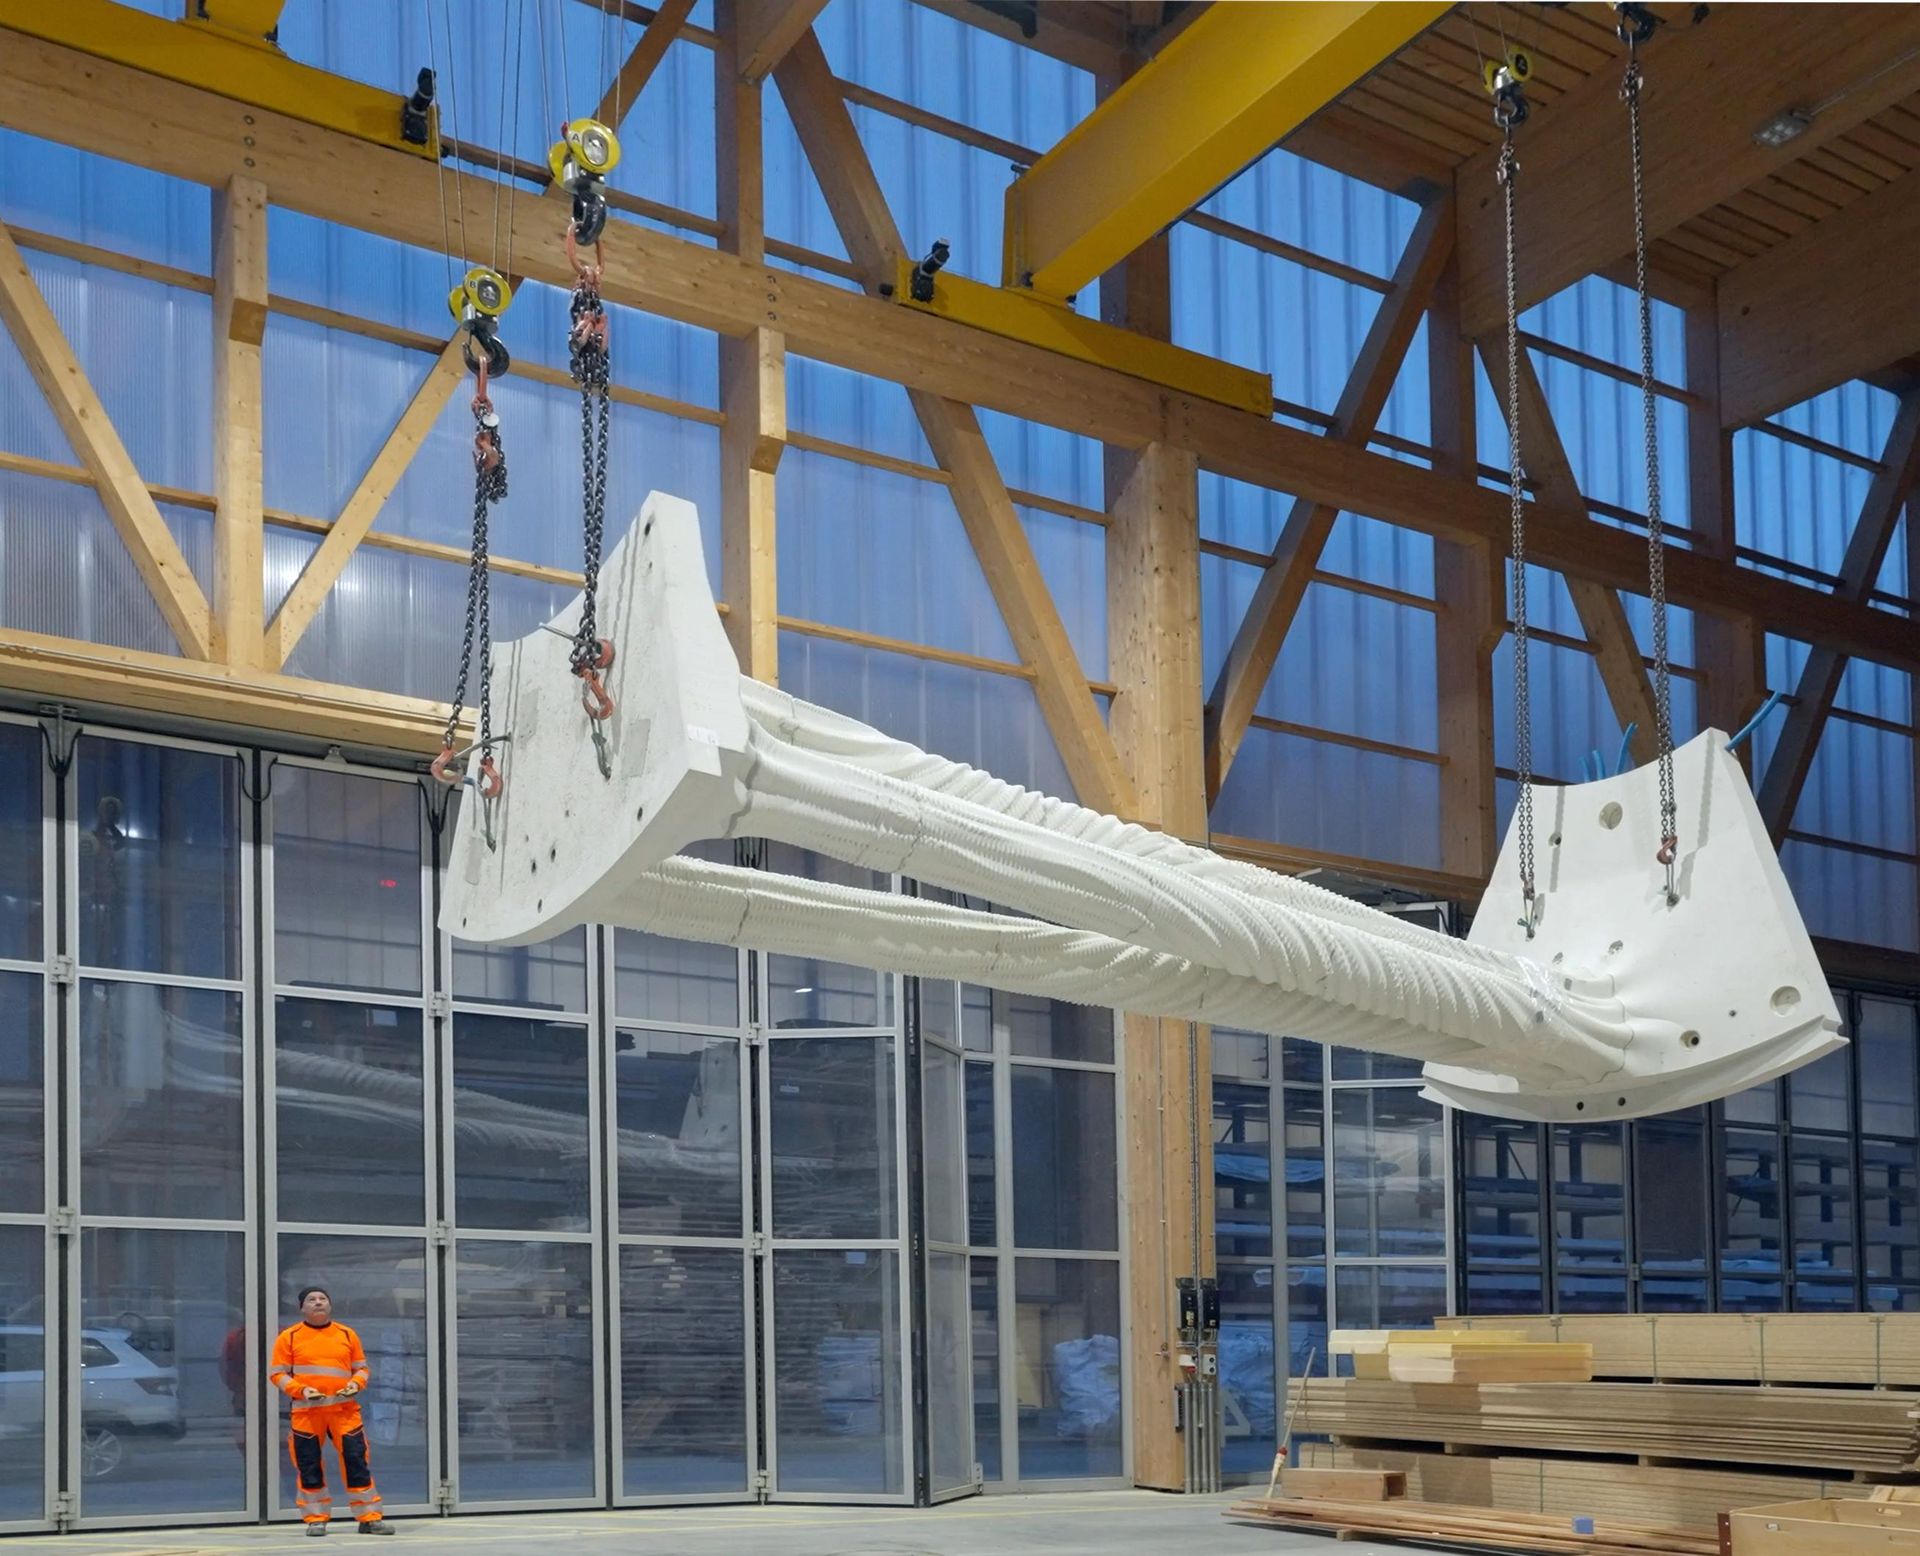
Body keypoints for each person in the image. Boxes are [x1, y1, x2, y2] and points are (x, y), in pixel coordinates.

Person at [270, 1287, 392, 1537]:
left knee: (357, 1461)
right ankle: (316, 1518)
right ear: (302, 1308)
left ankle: (369, 1517)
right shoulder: (289, 1337)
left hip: (344, 1411)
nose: (318, 1303)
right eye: (311, 1300)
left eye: (322, 1299)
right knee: (309, 1465)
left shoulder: (347, 1334)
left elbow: (362, 1369)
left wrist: (355, 1385)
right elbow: (277, 1373)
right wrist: (301, 1390)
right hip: (307, 1413)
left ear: (330, 1305)